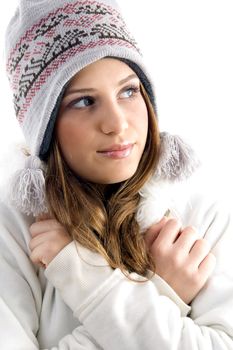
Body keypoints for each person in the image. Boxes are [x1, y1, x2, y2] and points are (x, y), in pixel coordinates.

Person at [0, 0, 232, 349]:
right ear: (45, 128)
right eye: (83, 102)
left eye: (128, 91)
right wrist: (161, 294)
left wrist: (90, 283)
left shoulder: (200, 216)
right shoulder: (15, 228)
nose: (118, 123)